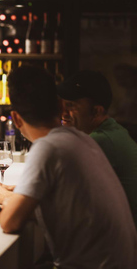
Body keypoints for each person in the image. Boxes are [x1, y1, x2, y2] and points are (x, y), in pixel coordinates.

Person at [0, 66, 137, 268]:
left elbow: (10, 223)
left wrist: (3, 205)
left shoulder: (47, 147)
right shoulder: (82, 139)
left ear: (16, 119)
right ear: (61, 106)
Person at [58, 70, 137, 227]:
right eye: (62, 105)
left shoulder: (100, 141)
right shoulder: (111, 130)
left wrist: (5, 197)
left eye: (71, 106)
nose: (62, 113)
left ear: (96, 111)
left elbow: (63, 202)